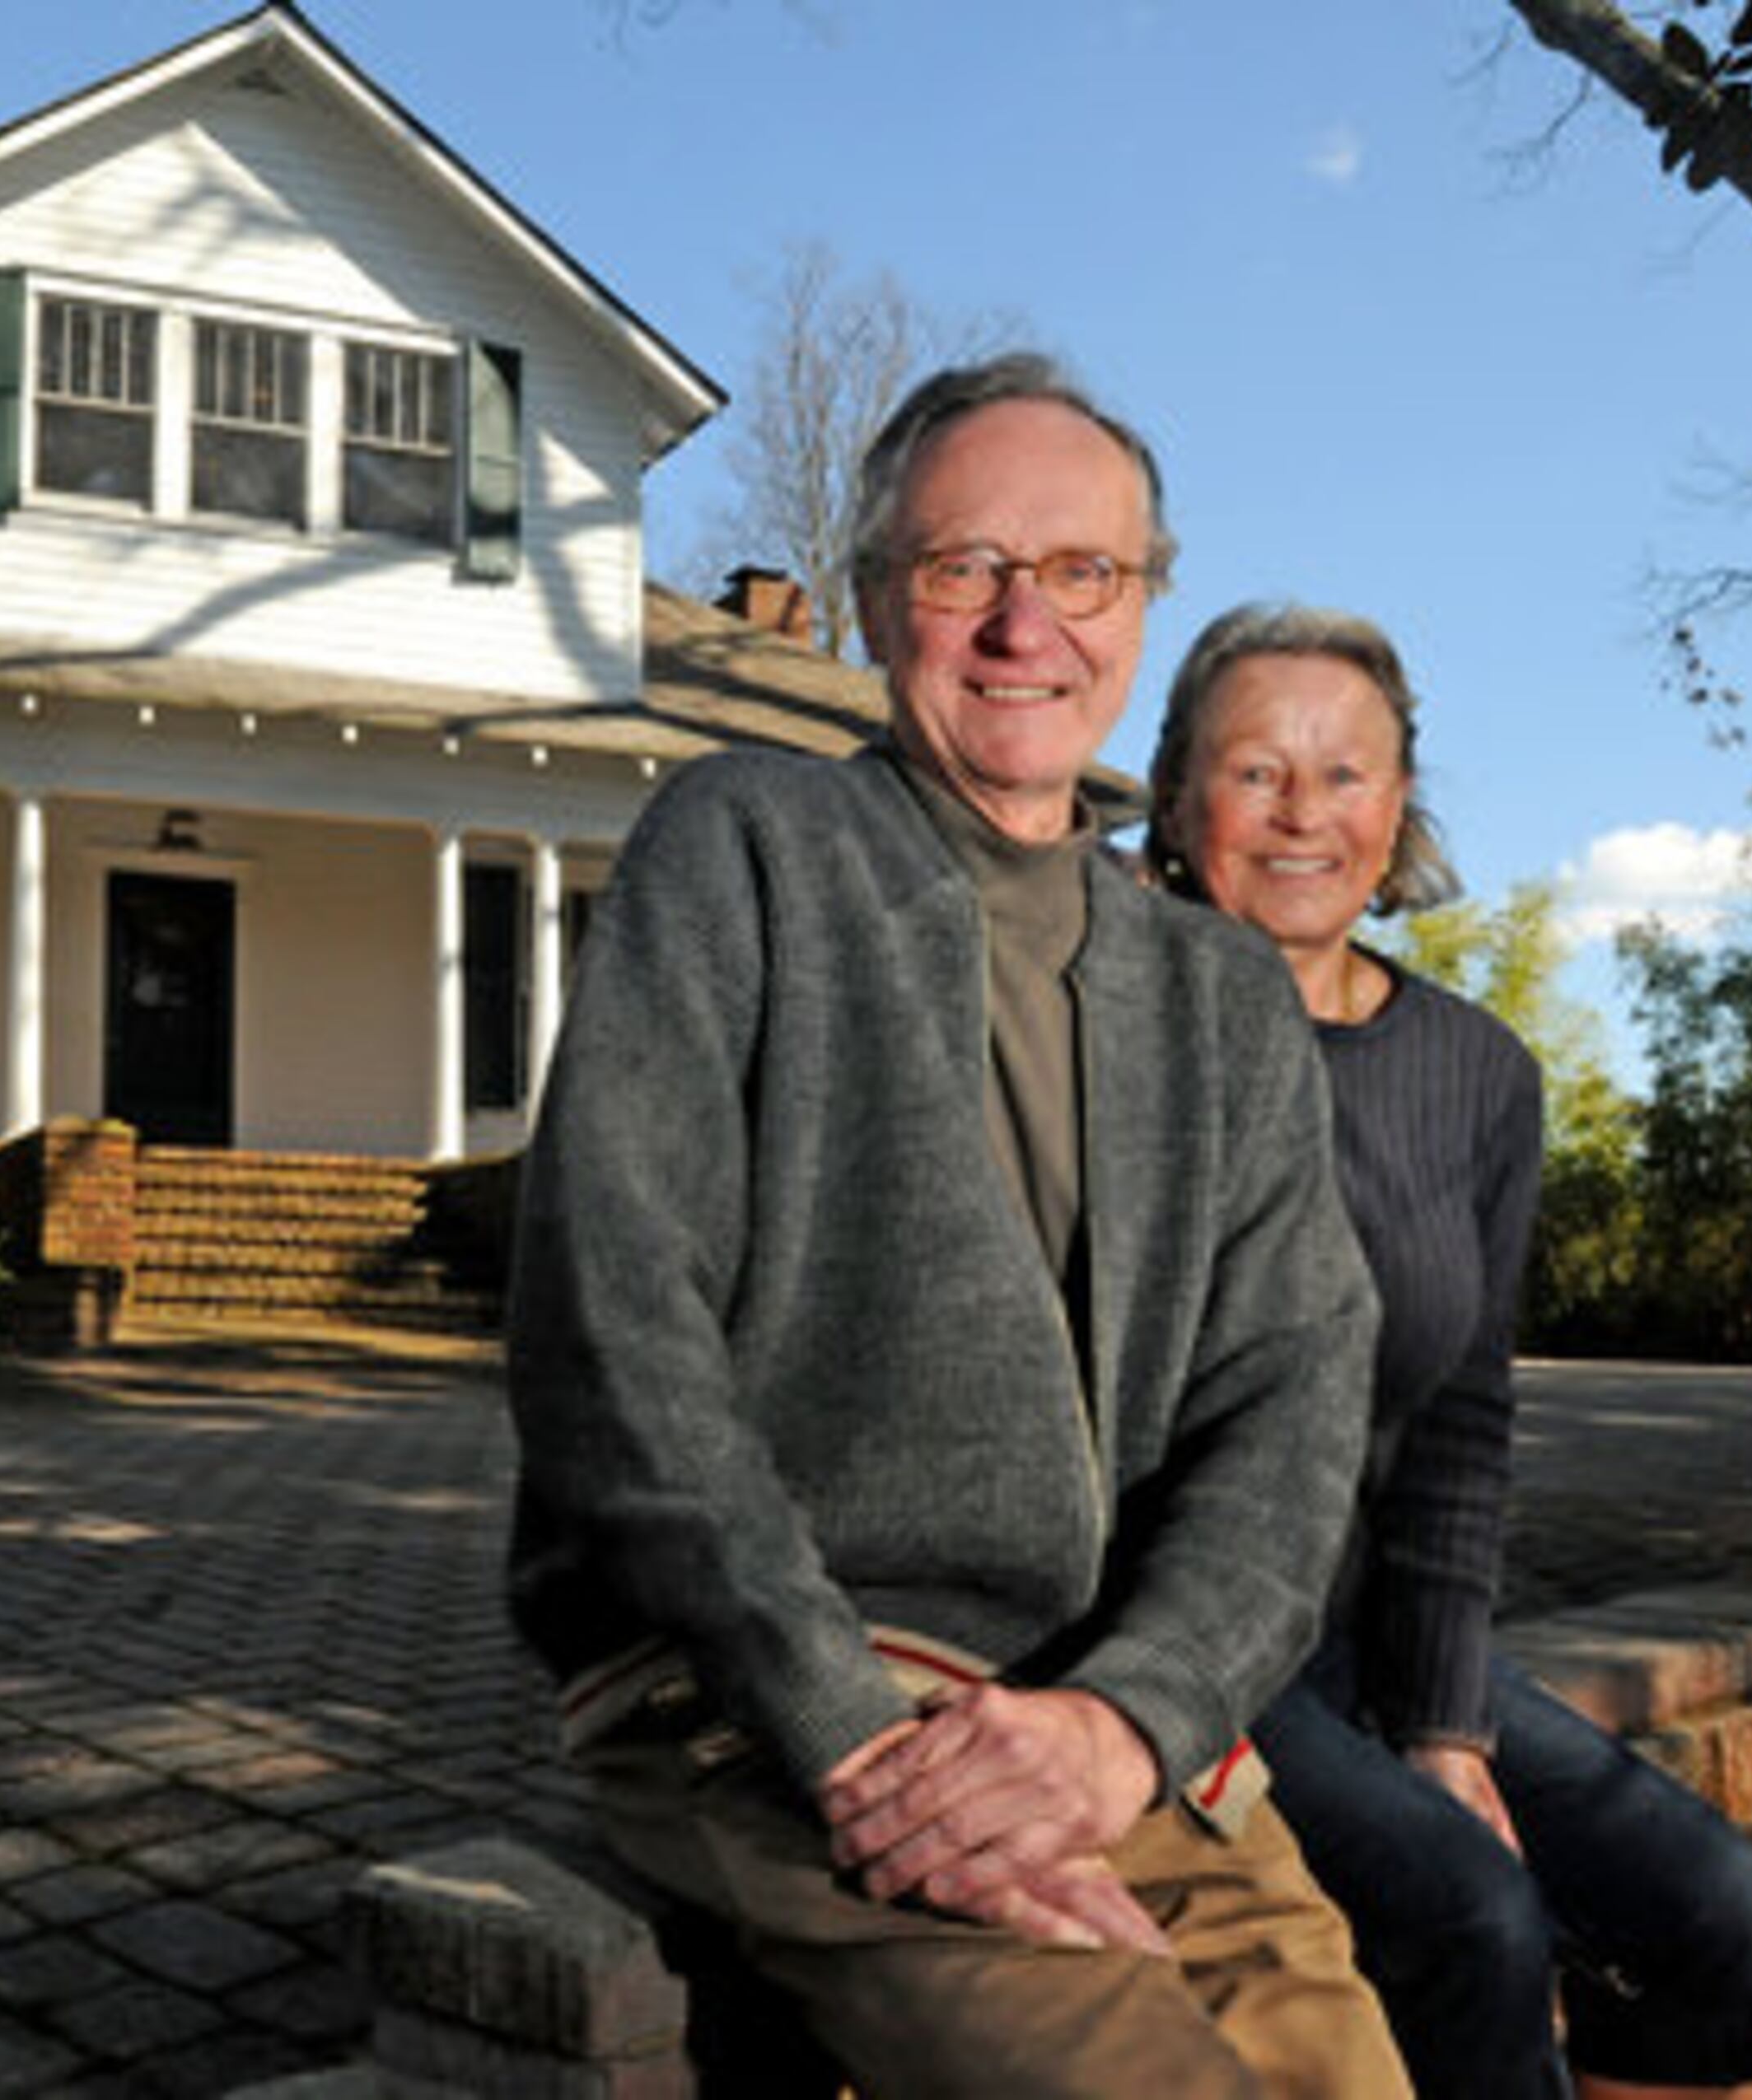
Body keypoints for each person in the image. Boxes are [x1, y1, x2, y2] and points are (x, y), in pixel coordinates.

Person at [503, 353, 1413, 2100]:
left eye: (1082, 574)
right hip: (778, 1702)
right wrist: (843, 1729)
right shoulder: (749, 847)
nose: (1025, 626)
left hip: (1112, 1731)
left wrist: (1128, 1722)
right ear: (868, 602)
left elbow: (1295, 1413)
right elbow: (611, 1325)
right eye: (961, 569)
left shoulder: (1219, 991)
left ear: (1142, 606)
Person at [1142, 600, 1752, 2100]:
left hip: (1372, 1635)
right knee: (1470, 1917)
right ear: (1178, 796)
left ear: (1401, 806)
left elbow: (1460, 1425)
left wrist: (1443, 1724)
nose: (1304, 812)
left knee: (1710, 1906)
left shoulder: (1475, 1072)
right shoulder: (1112, 1035)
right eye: (1256, 771)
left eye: (1347, 773)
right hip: (1176, 1642)